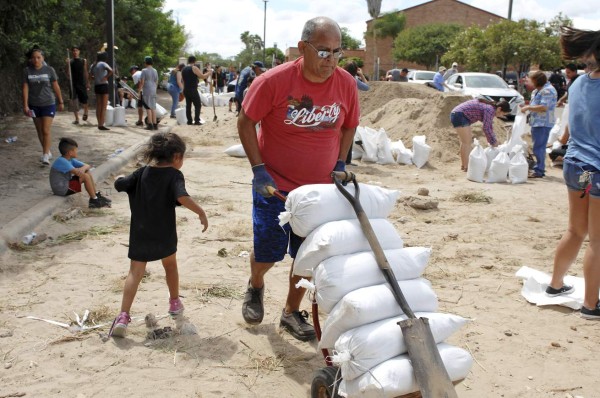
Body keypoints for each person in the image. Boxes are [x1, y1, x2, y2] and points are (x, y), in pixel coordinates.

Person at [237, 16, 360, 341]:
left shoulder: (345, 83)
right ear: (303, 48)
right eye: (323, 52)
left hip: (319, 193)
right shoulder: (273, 82)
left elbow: (349, 125)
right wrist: (258, 169)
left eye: (337, 53)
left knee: (306, 257)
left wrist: (339, 161)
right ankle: (256, 284)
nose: (330, 61)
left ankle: (291, 313)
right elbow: (246, 122)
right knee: (267, 253)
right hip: (274, 188)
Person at [109, 132, 209, 337]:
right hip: (164, 232)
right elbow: (181, 196)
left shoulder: (141, 173)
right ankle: (174, 304)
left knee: (134, 273)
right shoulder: (174, 175)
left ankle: (123, 316)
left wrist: (118, 178)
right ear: (176, 157)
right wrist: (200, 211)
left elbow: (120, 184)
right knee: (170, 266)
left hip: (140, 232)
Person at [546, 27, 600, 320]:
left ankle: (555, 285)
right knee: (598, 240)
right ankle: (591, 305)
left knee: (576, 230)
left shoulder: (578, 83)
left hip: (575, 164)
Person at [22, 46, 64, 165]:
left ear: (42, 58)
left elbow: (56, 86)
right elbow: (25, 88)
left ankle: (45, 155)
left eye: (38, 57)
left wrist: (61, 101)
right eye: (33, 58)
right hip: (34, 104)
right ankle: (47, 150)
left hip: (48, 103)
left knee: (46, 130)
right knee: (39, 130)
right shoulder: (27, 71)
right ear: (31, 59)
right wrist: (25, 105)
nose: (36, 60)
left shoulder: (49, 70)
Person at [450, 98, 511, 171]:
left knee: (465, 142)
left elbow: (489, 127)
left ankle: (464, 165)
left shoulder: (489, 108)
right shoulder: (490, 110)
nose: (501, 116)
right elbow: (486, 128)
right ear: (499, 109)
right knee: (466, 142)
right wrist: (493, 142)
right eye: (503, 113)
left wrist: (493, 140)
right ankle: (466, 166)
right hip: (459, 115)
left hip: (458, 114)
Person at [49, 137, 111, 208]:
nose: (77, 152)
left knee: (87, 171)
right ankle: (94, 201)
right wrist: (82, 169)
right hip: (61, 190)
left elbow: (87, 166)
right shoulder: (61, 161)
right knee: (85, 176)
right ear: (70, 152)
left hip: (65, 186)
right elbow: (78, 173)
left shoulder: (70, 159)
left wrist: (83, 168)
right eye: (76, 150)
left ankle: (96, 195)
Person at [520, 70, 557, 178]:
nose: (528, 82)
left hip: (543, 123)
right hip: (536, 122)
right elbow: (535, 104)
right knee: (537, 146)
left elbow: (544, 107)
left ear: (536, 80)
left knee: (539, 147)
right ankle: (539, 168)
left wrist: (528, 107)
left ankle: (539, 170)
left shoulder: (547, 91)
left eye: (530, 80)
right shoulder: (537, 91)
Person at [343, 61, 369, 165]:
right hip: (351, 110)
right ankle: (346, 160)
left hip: (340, 109)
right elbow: (367, 87)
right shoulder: (354, 79)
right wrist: (362, 75)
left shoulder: (339, 77)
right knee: (349, 136)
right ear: (355, 71)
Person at [181, 56, 212, 125]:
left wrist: (183, 89)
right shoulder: (194, 68)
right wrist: (209, 73)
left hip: (186, 89)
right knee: (198, 105)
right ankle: (196, 120)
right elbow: (202, 76)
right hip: (192, 89)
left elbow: (183, 81)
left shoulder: (183, 69)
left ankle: (189, 121)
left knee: (188, 105)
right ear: (194, 61)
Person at [66, 46, 89, 125]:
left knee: (84, 99)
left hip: (81, 83)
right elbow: (68, 74)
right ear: (72, 52)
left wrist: (87, 82)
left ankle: (86, 112)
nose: (75, 52)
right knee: (73, 100)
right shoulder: (70, 61)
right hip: (73, 84)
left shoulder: (83, 61)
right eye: (73, 51)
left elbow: (85, 72)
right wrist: (67, 64)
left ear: (79, 51)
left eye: (76, 50)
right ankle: (76, 119)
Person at [90, 51, 113, 131]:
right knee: (104, 106)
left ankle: (98, 122)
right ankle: (101, 124)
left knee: (98, 105)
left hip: (97, 85)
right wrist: (106, 77)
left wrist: (96, 78)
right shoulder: (103, 64)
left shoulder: (93, 65)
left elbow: (90, 75)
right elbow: (111, 70)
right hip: (104, 85)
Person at [139, 56, 159, 130]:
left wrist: (139, 91)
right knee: (153, 107)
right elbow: (156, 81)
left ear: (146, 62)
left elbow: (142, 82)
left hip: (147, 89)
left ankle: (150, 124)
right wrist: (155, 89)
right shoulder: (155, 70)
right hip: (153, 89)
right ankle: (155, 124)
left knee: (148, 107)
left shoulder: (144, 70)